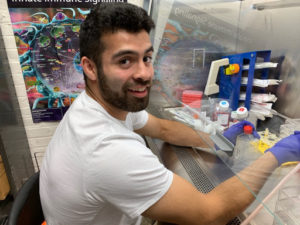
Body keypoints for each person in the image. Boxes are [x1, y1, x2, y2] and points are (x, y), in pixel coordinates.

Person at [39, 2, 300, 225]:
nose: (144, 73)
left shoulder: (101, 105)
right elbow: (211, 212)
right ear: (90, 68)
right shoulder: (106, 149)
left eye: (147, 58)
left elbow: (163, 129)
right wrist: (275, 155)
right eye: (125, 61)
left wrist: (218, 140)